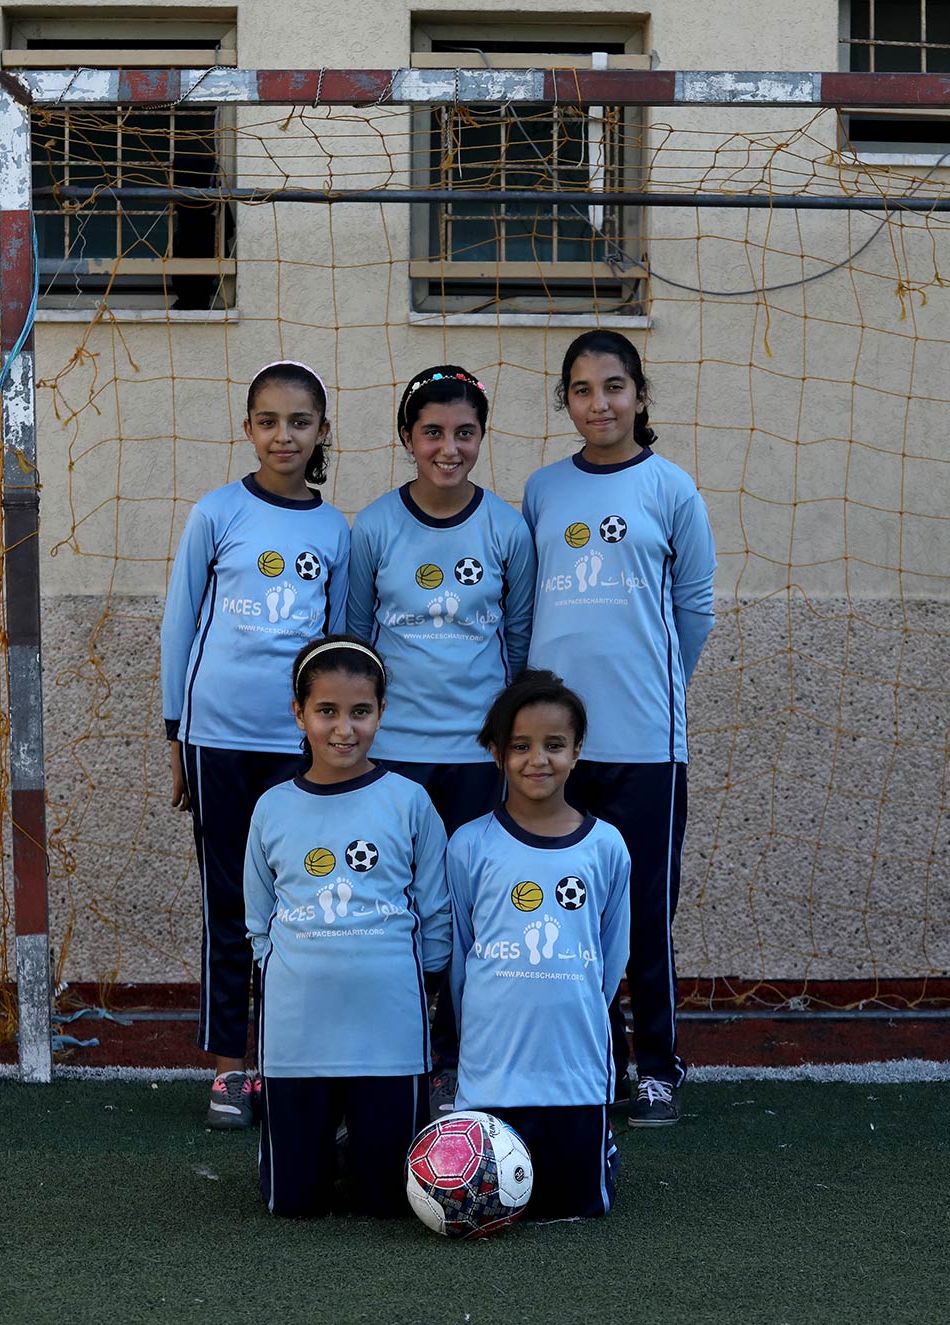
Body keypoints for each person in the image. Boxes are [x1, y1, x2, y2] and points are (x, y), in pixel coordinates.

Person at [521, 330, 716, 1127]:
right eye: (580, 389)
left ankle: (660, 1067)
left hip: (644, 743)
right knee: (566, 911)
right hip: (554, 751)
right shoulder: (541, 490)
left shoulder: (672, 489)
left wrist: (655, 683)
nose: (597, 403)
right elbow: (527, 609)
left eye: (613, 386)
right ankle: (590, 1063)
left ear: (640, 393)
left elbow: (693, 610)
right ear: (565, 402)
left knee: (642, 914)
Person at [160, 360, 351, 1129]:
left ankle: (290, 1062)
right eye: (269, 421)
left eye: (299, 422)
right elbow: (180, 626)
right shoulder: (216, 513)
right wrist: (176, 734)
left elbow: (340, 649)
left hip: (298, 749)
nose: (284, 435)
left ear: (321, 433)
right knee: (230, 904)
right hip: (218, 740)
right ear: (248, 429)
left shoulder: (335, 529)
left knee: (302, 905)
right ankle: (229, 1067)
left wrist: (335, 743)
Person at [347, 364, 535, 1113]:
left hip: (473, 757)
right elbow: (353, 644)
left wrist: (509, 746)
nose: (449, 448)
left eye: (464, 433)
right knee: (392, 906)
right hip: (392, 759)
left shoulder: (507, 527)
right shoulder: (374, 527)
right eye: (433, 433)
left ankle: (460, 1057)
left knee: (465, 913)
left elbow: (519, 645)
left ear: (482, 438)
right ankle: (393, 1050)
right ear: (406, 438)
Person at [243, 636, 451, 1217]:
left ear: (381, 713)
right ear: (299, 713)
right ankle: (321, 1149)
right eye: (326, 711)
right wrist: (283, 973)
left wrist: (421, 989)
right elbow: (258, 918)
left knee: (387, 1204)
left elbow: (435, 914)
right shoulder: (272, 807)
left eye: (360, 712)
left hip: (388, 1033)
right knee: (293, 1205)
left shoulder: (409, 802)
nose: (344, 728)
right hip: (297, 1034)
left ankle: (361, 1146)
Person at [446, 670, 629, 1218]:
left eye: (554, 745)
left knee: (573, 1210)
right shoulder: (470, 844)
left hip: (573, 1071)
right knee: (490, 1211)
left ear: (577, 751)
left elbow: (611, 957)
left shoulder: (606, 846)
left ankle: (600, 1143)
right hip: (491, 1074)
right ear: (497, 752)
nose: (537, 760)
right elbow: (461, 954)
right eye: (520, 746)